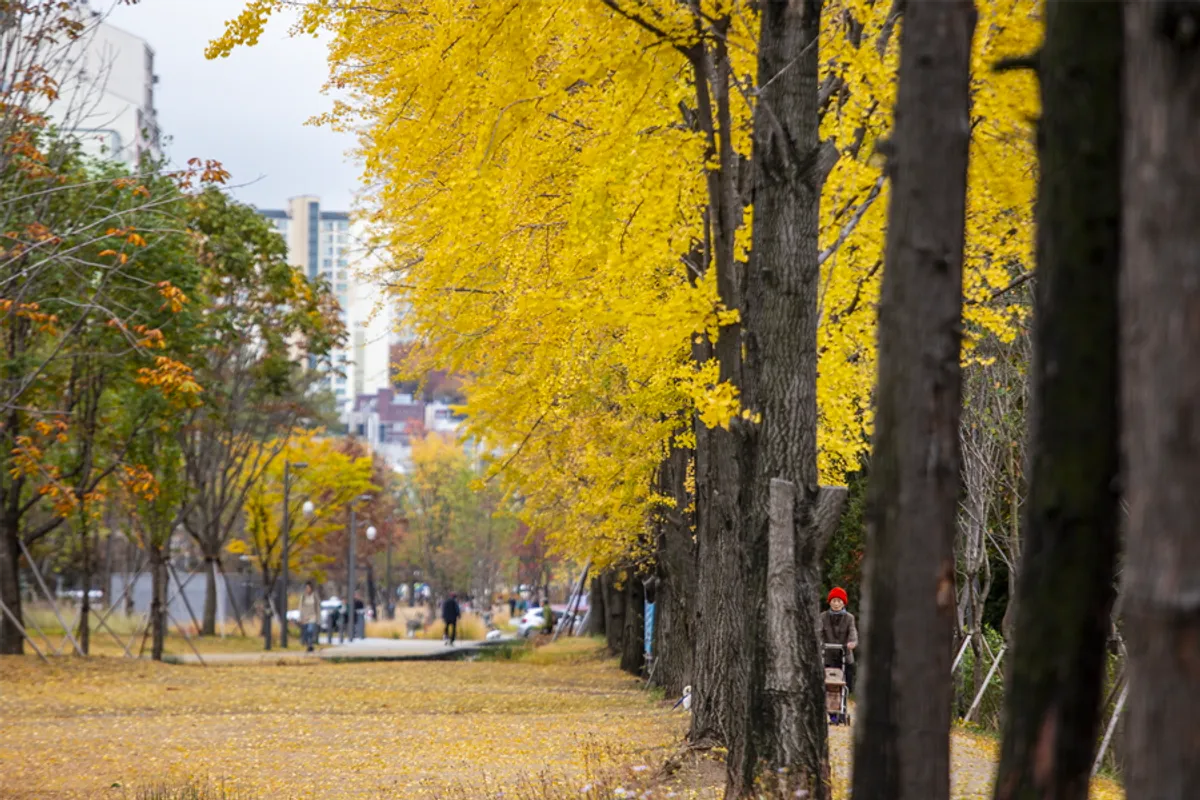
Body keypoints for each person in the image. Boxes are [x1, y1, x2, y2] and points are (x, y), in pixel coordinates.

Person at [820, 586, 858, 694]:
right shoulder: (823, 617)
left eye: (839, 601)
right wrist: (818, 643)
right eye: (834, 601)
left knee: (846, 683)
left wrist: (852, 642)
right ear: (830, 602)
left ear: (843, 603)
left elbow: (852, 631)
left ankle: (844, 702)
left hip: (844, 656)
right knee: (825, 683)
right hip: (827, 656)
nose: (836, 604)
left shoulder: (849, 618)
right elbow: (818, 631)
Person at [298, 581, 321, 653]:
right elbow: (300, 607)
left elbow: (318, 607)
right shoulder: (303, 596)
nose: (307, 589)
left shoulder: (314, 596)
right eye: (306, 588)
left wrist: (318, 618)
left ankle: (310, 644)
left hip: (312, 616)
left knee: (310, 630)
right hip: (305, 616)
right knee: (306, 632)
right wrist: (300, 617)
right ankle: (309, 645)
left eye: (309, 588)